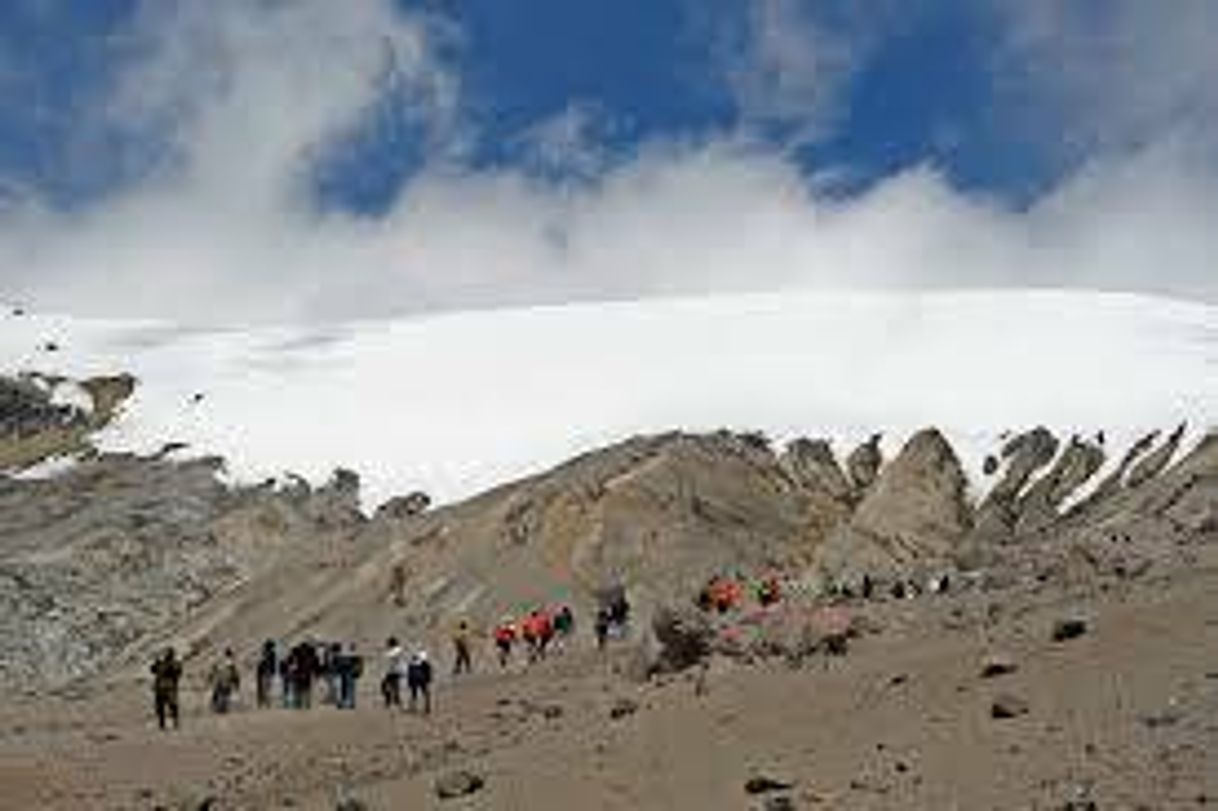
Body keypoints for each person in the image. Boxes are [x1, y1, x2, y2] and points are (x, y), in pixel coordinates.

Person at [150, 647, 182, 731]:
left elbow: (177, 672)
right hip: (162, 687)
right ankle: (162, 723)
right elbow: (153, 670)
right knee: (161, 706)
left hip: (168, 687)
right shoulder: (162, 664)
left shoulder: (174, 664)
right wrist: (157, 663)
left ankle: (174, 722)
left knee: (172, 706)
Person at [208, 647, 241, 714]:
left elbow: (214, 669)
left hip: (220, 680)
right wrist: (237, 683)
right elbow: (235, 674)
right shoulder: (230, 662)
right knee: (224, 692)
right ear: (230, 654)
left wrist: (211, 677)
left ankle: (216, 705)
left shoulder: (222, 661)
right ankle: (219, 705)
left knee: (217, 692)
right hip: (225, 681)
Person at [335, 643, 363, 710]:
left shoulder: (343, 654)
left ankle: (346, 702)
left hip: (347, 672)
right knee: (348, 688)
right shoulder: (352, 655)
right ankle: (349, 702)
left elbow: (337, 664)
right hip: (348, 672)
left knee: (345, 688)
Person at [405, 649, 433, 715]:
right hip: (422, 678)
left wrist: (409, 683)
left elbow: (410, 674)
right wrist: (428, 680)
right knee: (426, 693)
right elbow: (428, 671)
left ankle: (413, 707)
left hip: (415, 678)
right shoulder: (425, 663)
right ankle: (427, 707)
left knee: (414, 693)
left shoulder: (411, 664)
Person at [382, 637, 405, 708]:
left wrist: (386, 652)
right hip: (393, 671)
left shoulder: (397, 650)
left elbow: (391, 655)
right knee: (393, 686)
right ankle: (394, 700)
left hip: (395, 671)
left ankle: (391, 700)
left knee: (386, 685)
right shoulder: (395, 650)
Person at [256, 640, 277, 708]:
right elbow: (272, 664)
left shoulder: (264, 653)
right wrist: (272, 671)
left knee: (264, 687)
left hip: (263, 672)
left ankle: (262, 702)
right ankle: (266, 702)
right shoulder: (271, 654)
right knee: (266, 688)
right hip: (266, 672)